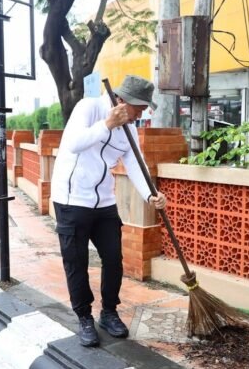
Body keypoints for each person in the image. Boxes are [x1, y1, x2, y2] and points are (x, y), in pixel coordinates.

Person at [50, 75, 167, 347]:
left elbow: (136, 164)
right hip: (71, 200)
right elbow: (73, 143)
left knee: (114, 259)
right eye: (139, 109)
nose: (141, 115)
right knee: (76, 262)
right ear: (122, 101)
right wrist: (107, 124)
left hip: (104, 202)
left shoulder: (130, 129)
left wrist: (151, 194)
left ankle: (109, 312)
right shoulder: (89, 108)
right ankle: (84, 317)